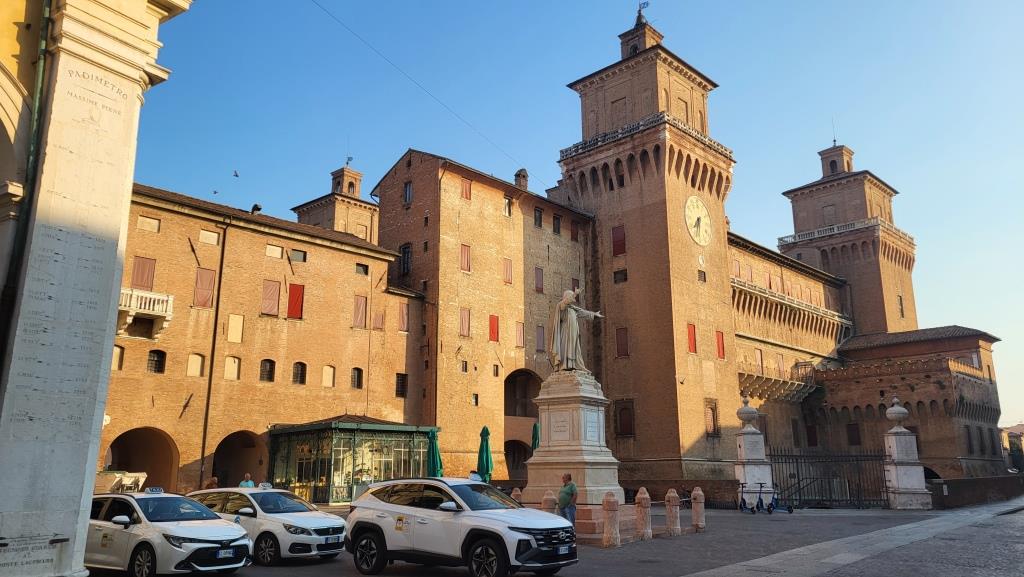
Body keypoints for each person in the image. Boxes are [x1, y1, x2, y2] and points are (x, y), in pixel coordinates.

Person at [549, 288, 602, 372]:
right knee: (567, 348)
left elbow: (584, 312)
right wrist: (575, 294)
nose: (573, 298)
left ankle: (574, 365)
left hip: (573, 333)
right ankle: (565, 365)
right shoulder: (561, 306)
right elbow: (565, 302)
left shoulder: (573, 309)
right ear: (566, 296)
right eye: (571, 296)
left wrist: (594, 314)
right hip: (566, 332)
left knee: (574, 349)